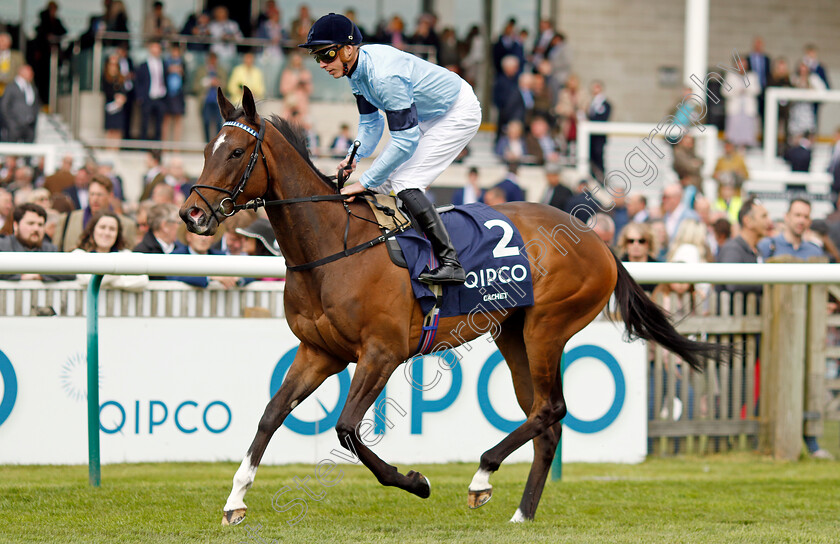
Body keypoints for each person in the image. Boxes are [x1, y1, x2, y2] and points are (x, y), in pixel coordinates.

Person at [299, 13, 482, 284]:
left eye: (326, 55)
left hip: (457, 111)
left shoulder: (384, 77)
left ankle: (450, 261)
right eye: (317, 57)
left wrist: (366, 180)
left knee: (405, 181)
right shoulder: (355, 71)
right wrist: (354, 157)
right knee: (383, 185)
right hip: (427, 115)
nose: (323, 64)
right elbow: (370, 124)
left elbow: (405, 141)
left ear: (348, 49)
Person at [53, 175, 136, 252]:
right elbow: (56, 252)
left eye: (99, 195)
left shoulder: (127, 225)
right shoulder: (67, 219)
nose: (95, 199)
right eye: (92, 194)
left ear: (110, 196)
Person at [71, 211, 148, 291]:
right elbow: (87, 279)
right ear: (92, 230)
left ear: (117, 234)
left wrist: (107, 282)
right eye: (102, 227)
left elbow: (142, 279)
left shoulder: (126, 254)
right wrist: (120, 274)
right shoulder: (79, 254)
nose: (107, 233)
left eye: (112, 229)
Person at [0, 203, 75, 281]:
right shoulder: (3, 246)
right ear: (15, 225)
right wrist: (21, 277)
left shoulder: (50, 250)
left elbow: (71, 272)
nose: (36, 228)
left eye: (40, 225)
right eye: (31, 223)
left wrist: (40, 276)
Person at [715, 197, 771, 295]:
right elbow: (732, 283)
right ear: (747, 220)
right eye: (763, 216)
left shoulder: (757, 250)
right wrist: (766, 284)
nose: (769, 221)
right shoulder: (732, 249)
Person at [167, 230, 238, 289]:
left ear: (213, 237)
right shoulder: (176, 256)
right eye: (198, 233)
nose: (203, 238)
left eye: (208, 233)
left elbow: (244, 272)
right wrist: (211, 277)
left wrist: (236, 279)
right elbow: (172, 276)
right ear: (188, 236)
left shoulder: (221, 256)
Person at [135, 41, 168, 141]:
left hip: (160, 97)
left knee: (159, 123)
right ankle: (143, 145)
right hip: (147, 97)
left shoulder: (163, 64)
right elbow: (138, 81)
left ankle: (157, 145)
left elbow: (165, 79)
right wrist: (140, 96)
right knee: (145, 122)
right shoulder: (143, 65)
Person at [0, 65, 40, 143]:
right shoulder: (11, 87)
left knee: (28, 152)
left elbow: (35, 106)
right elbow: (4, 106)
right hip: (14, 127)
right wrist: (11, 123)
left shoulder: (32, 88)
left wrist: (33, 120)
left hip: (29, 127)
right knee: (12, 152)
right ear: (22, 72)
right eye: (29, 71)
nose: (32, 74)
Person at [193, 51, 227, 142]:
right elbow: (195, 86)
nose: (212, 61)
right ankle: (207, 143)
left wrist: (218, 83)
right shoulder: (201, 71)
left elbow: (225, 86)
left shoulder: (221, 71)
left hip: (218, 102)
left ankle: (218, 144)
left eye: (214, 59)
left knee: (218, 125)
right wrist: (207, 83)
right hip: (206, 101)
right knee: (206, 123)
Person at [617, 222, 658, 293]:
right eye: (631, 241)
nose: (636, 245)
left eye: (641, 241)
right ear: (625, 243)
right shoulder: (617, 267)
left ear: (649, 243)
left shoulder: (659, 267)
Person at [586, 80, 611, 181]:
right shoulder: (591, 102)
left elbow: (602, 118)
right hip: (591, 137)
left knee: (599, 157)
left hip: (599, 137)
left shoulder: (605, 104)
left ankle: (601, 179)